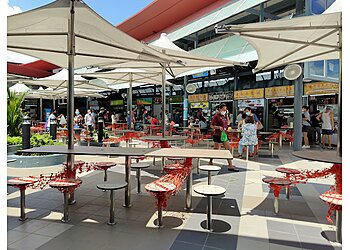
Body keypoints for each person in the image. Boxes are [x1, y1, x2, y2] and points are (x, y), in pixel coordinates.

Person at [208, 103, 238, 171]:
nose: (225, 111)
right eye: (223, 109)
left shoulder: (224, 116)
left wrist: (227, 115)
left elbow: (228, 123)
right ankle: (210, 160)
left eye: (226, 110)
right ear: (220, 109)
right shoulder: (216, 116)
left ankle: (230, 165)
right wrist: (218, 127)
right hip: (218, 135)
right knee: (216, 149)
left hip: (224, 135)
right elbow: (212, 126)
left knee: (228, 149)